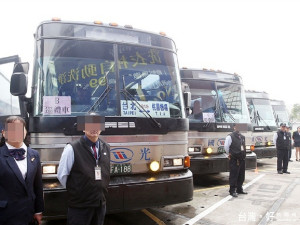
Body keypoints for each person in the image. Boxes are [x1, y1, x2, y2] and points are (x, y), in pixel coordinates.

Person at [57, 113, 110, 225]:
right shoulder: (72, 148)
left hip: (100, 204)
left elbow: (106, 172)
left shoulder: (106, 147)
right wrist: (79, 192)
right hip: (80, 206)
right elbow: (62, 175)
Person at [0, 116, 44, 225]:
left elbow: (38, 185)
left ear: (25, 132)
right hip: (5, 215)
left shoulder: (34, 155)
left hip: (29, 214)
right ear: (4, 133)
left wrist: (38, 210)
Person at [224, 124, 247, 197]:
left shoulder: (242, 137)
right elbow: (226, 147)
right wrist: (230, 154)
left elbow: (243, 147)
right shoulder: (230, 136)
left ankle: (239, 189)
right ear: (234, 127)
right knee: (234, 175)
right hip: (235, 158)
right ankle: (232, 190)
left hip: (242, 158)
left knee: (241, 175)